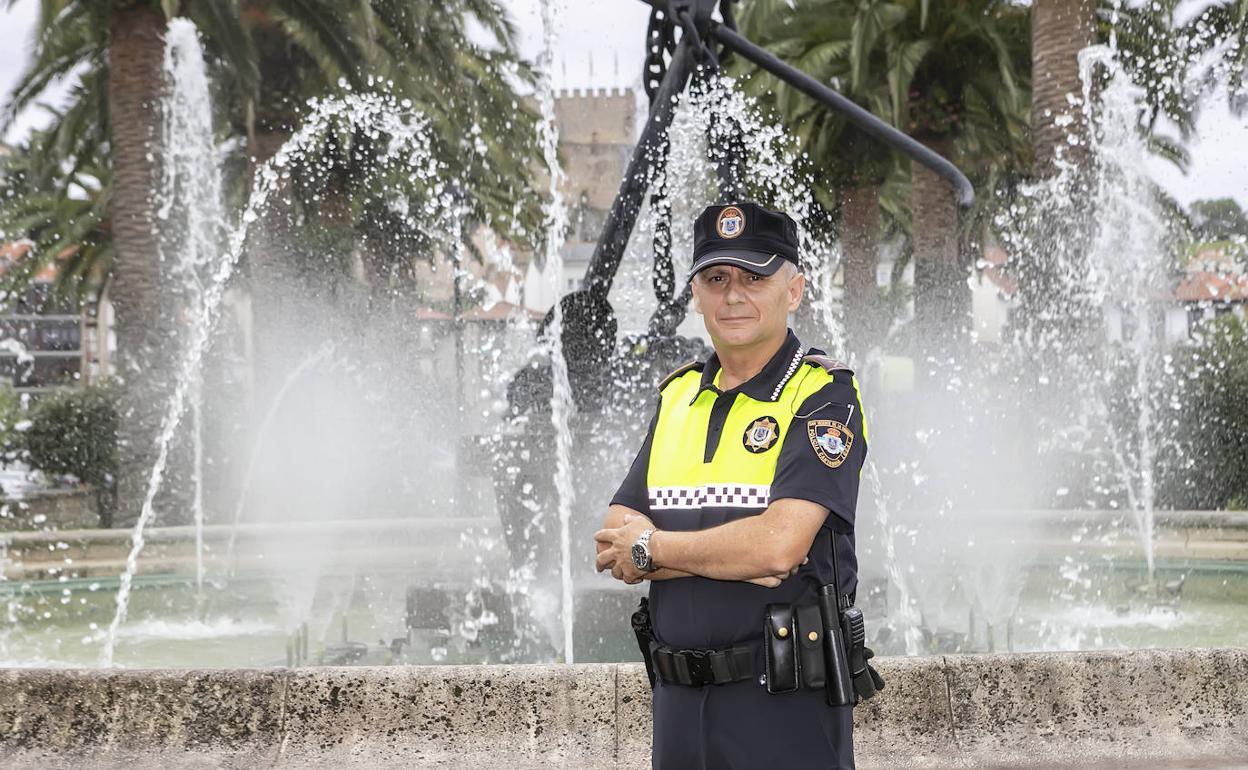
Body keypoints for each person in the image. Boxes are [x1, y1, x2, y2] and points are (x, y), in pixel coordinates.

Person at [594, 202, 870, 769]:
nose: (733, 295)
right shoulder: (678, 398)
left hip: (782, 706)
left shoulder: (823, 397)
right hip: (676, 707)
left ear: (793, 290)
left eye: (754, 277)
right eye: (716, 278)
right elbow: (613, 535)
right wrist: (708, 552)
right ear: (696, 294)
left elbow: (777, 549)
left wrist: (653, 549)